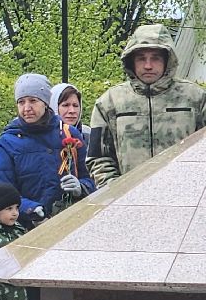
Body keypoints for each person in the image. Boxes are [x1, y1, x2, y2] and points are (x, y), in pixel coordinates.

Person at [88, 23, 206, 185]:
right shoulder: (109, 103)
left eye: (155, 58)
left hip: (184, 201)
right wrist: (115, 192)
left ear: (167, 60)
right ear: (131, 61)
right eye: (141, 58)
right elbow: (98, 157)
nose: (148, 65)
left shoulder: (196, 98)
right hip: (127, 201)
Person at [0, 73, 94, 229]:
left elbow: (91, 178)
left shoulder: (69, 134)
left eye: (33, 101)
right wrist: (30, 209)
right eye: (21, 102)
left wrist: (81, 188)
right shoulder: (8, 141)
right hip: (26, 228)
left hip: (69, 223)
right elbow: (2, 191)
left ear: (46, 103)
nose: (27, 108)